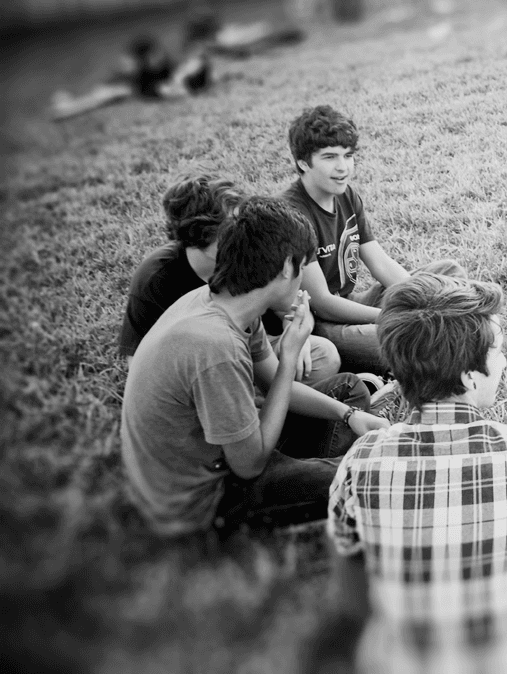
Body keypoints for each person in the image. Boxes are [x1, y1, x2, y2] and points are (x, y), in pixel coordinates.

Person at [325, 274, 507, 674]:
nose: (504, 361)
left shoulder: (361, 459)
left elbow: (348, 549)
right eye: (498, 350)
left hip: (397, 662)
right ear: (469, 376)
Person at [120, 197, 389, 538]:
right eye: (304, 268)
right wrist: (289, 355)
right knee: (368, 474)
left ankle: (307, 478)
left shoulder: (228, 302)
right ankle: (306, 492)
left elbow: (274, 385)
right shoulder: (216, 347)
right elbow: (249, 466)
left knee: (346, 391)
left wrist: (348, 415)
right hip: (204, 499)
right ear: (288, 268)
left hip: (225, 449)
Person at [281, 105, 466, 375]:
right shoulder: (292, 213)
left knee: (448, 273)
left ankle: (433, 331)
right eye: (329, 157)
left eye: (348, 155)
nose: (342, 167)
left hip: (352, 302)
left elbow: (379, 263)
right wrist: (393, 316)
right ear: (303, 162)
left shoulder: (346, 195)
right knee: (407, 339)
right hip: (322, 324)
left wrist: (418, 298)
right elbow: (322, 302)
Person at [118, 172, 341, 385]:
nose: (244, 231)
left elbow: (294, 304)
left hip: (261, 351)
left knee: (323, 356)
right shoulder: (155, 279)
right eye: (232, 228)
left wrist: (295, 334)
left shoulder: (251, 248)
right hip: (206, 367)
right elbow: (140, 369)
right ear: (200, 236)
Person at [50, 32, 211, 121]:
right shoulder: (159, 70)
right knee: (105, 92)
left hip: (140, 85)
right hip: (139, 82)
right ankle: (68, 104)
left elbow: (165, 87)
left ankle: (68, 105)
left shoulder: (166, 77)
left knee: (106, 93)